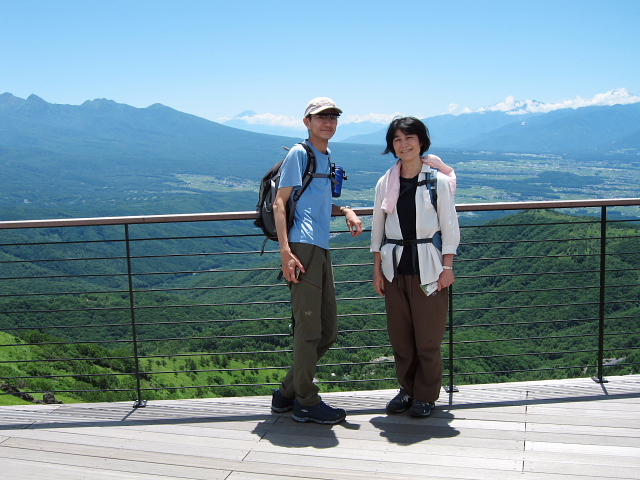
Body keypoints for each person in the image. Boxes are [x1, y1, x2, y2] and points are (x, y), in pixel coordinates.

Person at [270, 97, 363, 424]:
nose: (328, 122)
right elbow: (281, 204)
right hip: (302, 247)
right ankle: (305, 402)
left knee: (327, 332)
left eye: (333, 117)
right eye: (321, 117)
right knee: (309, 331)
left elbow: (317, 204)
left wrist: (346, 210)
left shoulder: (324, 156)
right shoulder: (300, 153)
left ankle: (286, 393)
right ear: (307, 121)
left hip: (320, 247)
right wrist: (286, 252)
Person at [370, 116, 460, 417]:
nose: (403, 144)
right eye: (397, 139)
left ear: (421, 141)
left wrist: (448, 267)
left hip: (430, 269)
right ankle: (407, 389)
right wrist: (377, 269)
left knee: (428, 338)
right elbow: (378, 230)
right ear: (391, 146)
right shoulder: (386, 182)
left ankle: (425, 395)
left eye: (409, 137)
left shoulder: (438, 182)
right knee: (401, 337)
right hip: (395, 269)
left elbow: (449, 227)